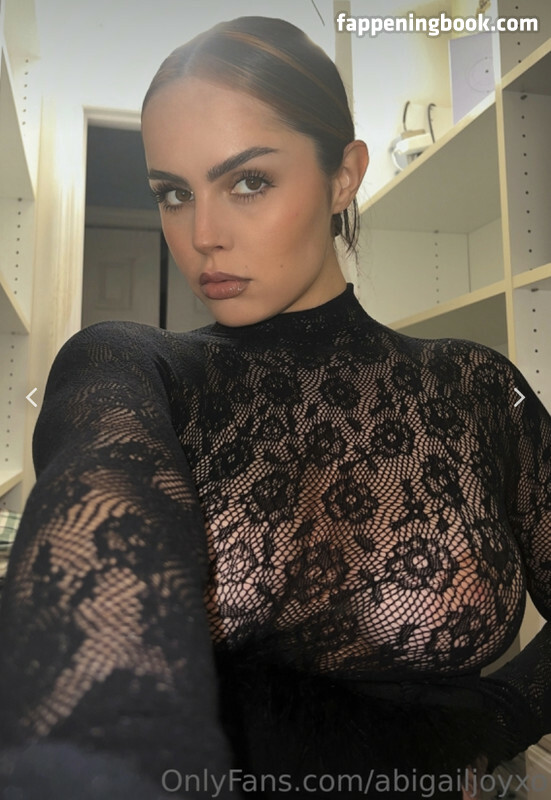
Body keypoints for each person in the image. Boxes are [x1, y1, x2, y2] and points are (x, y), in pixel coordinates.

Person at [0, 15, 550, 800]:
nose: (202, 235)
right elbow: (88, 613)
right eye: (173, 194)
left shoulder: (478, 386)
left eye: (248, 181)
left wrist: (489, 720)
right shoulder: (129, 367)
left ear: (342, 176)